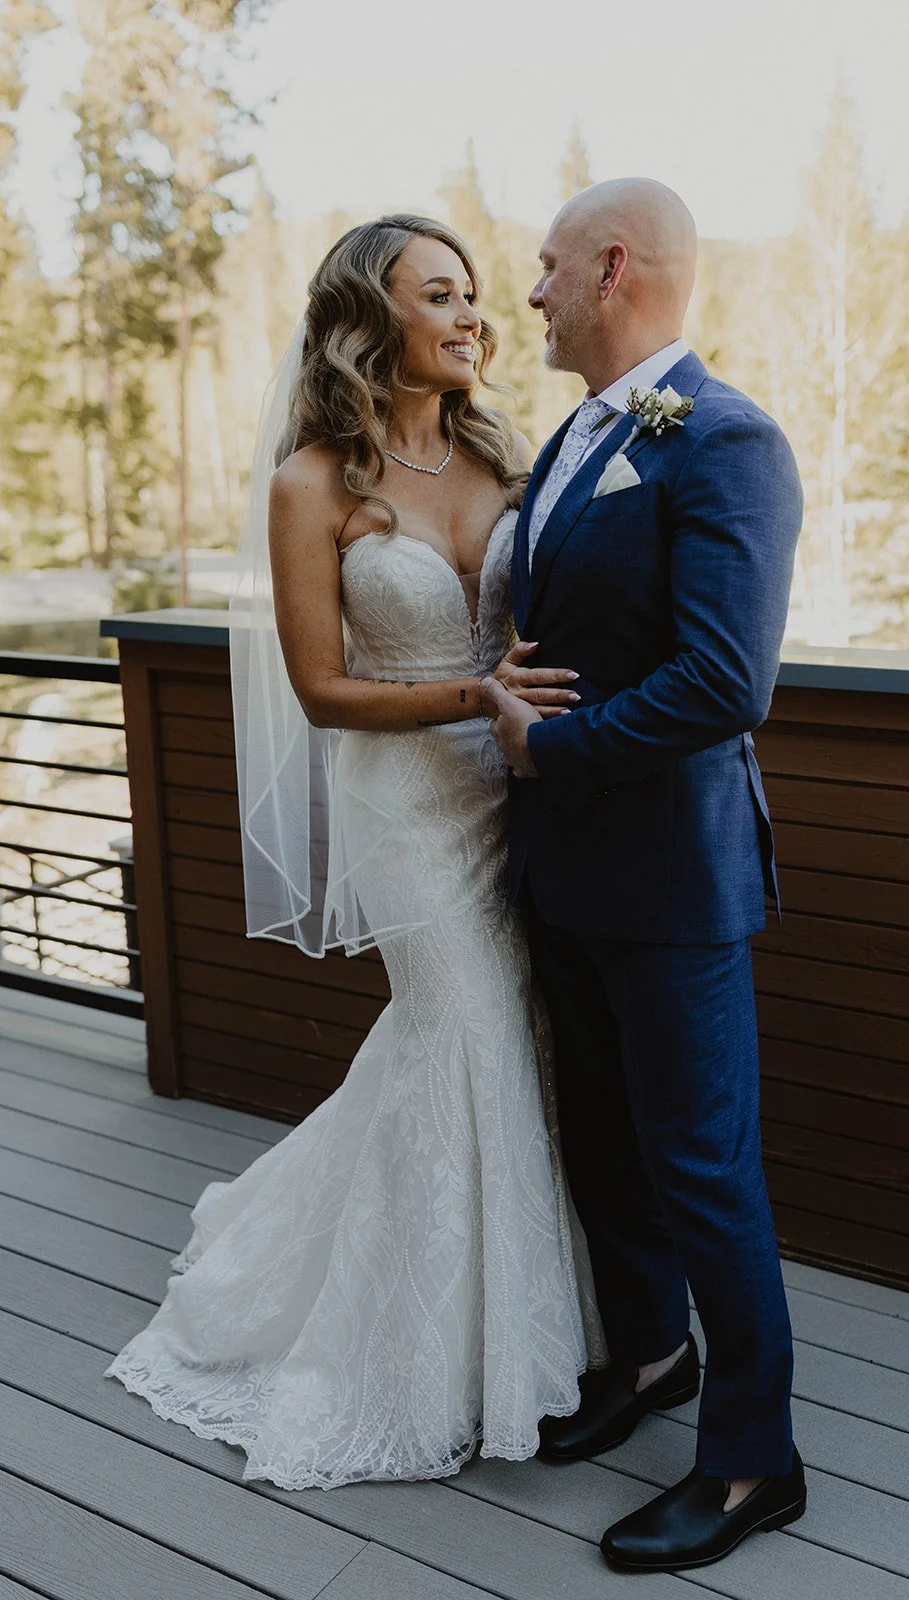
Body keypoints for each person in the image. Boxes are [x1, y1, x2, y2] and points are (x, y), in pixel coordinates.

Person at [105, 214, 605, 1489]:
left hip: (515, 798)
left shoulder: (505, 457)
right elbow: (321, 690)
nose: (472, 315)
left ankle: (522, 1337)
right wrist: (471, 699)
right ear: (369, 319)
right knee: (473, 1032)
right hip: (405, 805)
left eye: (474, 293)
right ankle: (429, 1362)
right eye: (437, 294)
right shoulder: (311, 484)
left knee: (511, 1040)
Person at [483, 178, 806, 1573]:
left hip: (670, 881)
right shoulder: (569, 439)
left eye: (546, 266)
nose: (531, 290)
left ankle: (750, 1461)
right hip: (562, 872)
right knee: (604, 1144)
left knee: (699, 1168)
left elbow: (724, 683)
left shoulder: (723, 439)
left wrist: (554, 753)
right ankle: (646, 1360)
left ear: (612, 266)